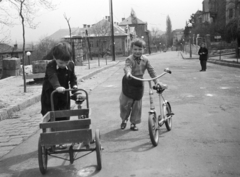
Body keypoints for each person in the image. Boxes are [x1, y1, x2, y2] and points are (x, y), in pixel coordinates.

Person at [119, 38, 162, 131]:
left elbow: (151, 70)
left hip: (139, 83)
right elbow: (127, 67)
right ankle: (124, 119)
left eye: (140, 49)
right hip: (129, 82)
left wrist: (156, 81)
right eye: (135, 49)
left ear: (143, 49)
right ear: (131, 49)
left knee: (137, 105)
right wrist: (128, 73)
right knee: (125, 104)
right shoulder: (129, 59)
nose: (137, 51)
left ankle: (133, 123)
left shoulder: (145, 59)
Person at [41, 42, 78, 120]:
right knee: (50, 115)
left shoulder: (71, 65)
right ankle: (51, 129)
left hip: (63, 94)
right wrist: (57, 86)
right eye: (61, 63)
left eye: (66, 62)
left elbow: (72, 77)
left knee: (64, 114)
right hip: (50, 94)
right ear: (54, 57)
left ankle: (64, 129)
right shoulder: (50, 66)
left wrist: (74, 86)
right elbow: (52, 77)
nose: (64, 65)